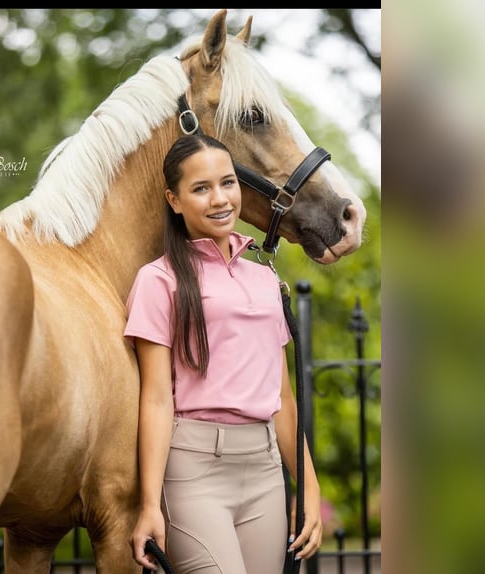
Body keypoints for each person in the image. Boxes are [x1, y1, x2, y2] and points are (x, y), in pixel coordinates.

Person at [124, 134, 322, 573]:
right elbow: (156, 399)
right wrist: (149, 505)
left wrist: (308, 489)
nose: (220, 199)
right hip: (195, 472)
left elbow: (283, 400)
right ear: (174, 200)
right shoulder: (158, 280)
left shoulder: (265, 279)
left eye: (228, 183)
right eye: (201, 188)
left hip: (265, 471)